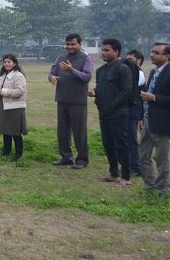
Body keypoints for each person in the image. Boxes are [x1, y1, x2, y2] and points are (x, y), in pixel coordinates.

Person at [138, 43, 170, 196]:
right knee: (143, 154)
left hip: (162, 122)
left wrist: (154, 98)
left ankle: (162, 188)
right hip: (147, 119)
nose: (152, 55)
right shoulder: (154, 72)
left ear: (167, 56)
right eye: (152, 52)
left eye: (156, 53)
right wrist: (141, 116)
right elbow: (146, 95)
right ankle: (150, 185)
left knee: (161, 157)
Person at [90, 38, 134, 185]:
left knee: (121, 144)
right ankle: (114, 173)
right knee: (107, 143)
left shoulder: (123, 69)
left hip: (118, 113)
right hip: (104, 113)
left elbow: (126, 91)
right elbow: (101, 88)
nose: (103, 52)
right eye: (102, 50)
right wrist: (94, 93)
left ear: (116, 52)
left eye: (107, 50)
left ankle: (126, 176)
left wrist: (112, 105)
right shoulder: (101, 70)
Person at [48, 33, 94, 168]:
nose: (70, 47)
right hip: (62, 98)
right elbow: (52, 72)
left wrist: (72, 70)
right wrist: (51, 77)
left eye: (73, 44)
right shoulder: (61, 57)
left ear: (80, 44)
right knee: (62, 130)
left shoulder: (86, 59)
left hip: (77, 100)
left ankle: (82, 159)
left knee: (79, 131)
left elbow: (87, 77)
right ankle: (66, 157)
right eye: (67, 44)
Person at [0, 54, 28, 161]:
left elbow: (19, 91)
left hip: (15, 108)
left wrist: (3, 92)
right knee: (5, 131)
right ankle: (6, 151)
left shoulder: (19, 76)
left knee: (15, 132)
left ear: (14, 63)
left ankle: (18, 154)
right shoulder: (2, 75)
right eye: (5, 62)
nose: (6, 64)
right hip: (3, 106)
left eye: (9, 62)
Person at [125, 49, 147, 177]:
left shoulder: (139, 74)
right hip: (128, 109)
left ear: (139, 60)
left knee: (131, 139)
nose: (127, 61)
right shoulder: (129, 72)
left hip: (134, 110)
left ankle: (135, 167)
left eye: (131, 59)